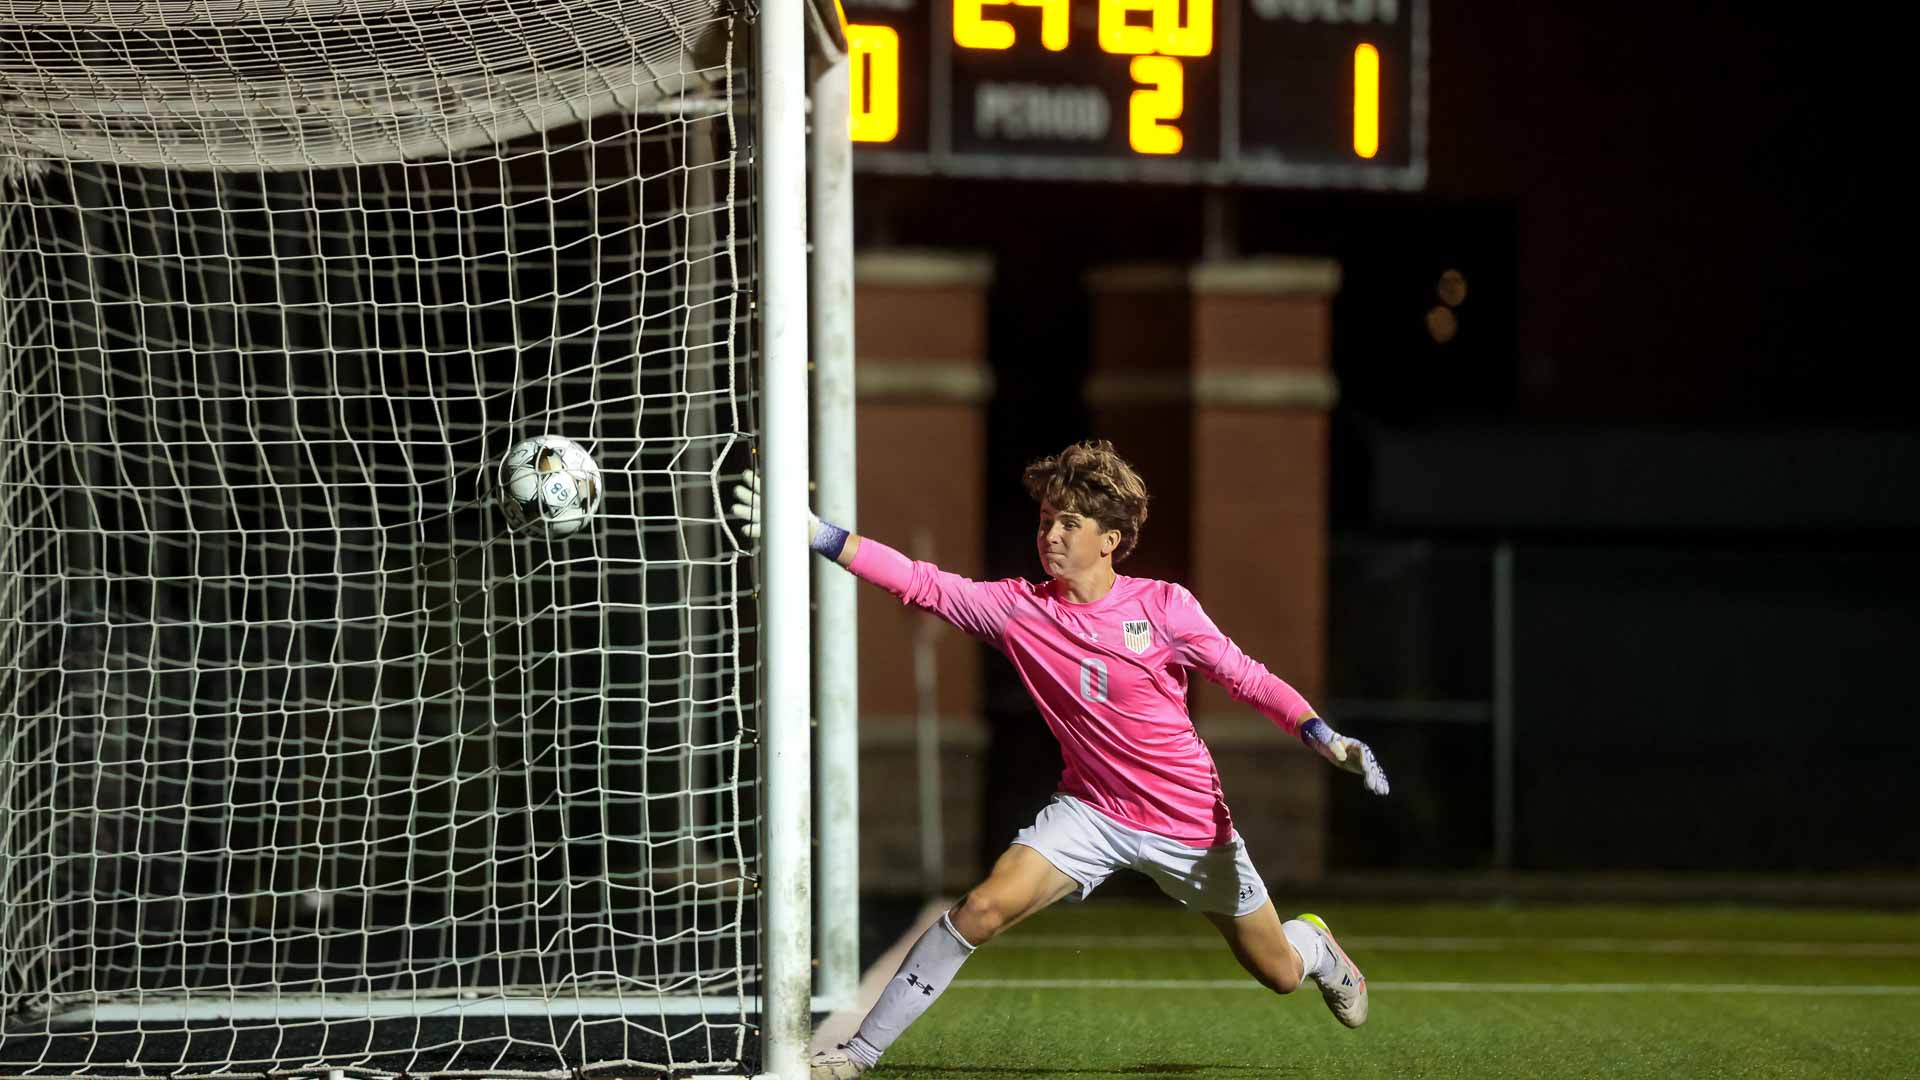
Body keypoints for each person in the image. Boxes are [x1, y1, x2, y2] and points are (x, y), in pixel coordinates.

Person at [730, 440, 1390, 1080]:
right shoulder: (1020, 611)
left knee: (1279, 973)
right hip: (1091, 813)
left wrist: (1319, 733)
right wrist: (817, 534)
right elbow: (921, 584)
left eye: (1069, 523)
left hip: (1190, 826)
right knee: (981, 908)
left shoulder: (1164, 607)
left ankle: (1315, 946)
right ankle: (857, 1055)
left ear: (1110, 540)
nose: (1051, 535)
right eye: (1046, 520)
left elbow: (1247, 677)